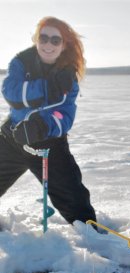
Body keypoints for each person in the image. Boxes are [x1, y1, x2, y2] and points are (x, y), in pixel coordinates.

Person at [0, 16, 96, 225]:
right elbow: (11, 92)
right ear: (36, 39)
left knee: (75, 202)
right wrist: (46, 88)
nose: (48, 44)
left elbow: (65, 115)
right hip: (11, 139)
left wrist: (41, 126)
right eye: (43, 38)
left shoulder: (67, 76)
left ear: (64, 45)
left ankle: (94, 239)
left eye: (55, 40)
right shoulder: (20, 61)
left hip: (49, 145)